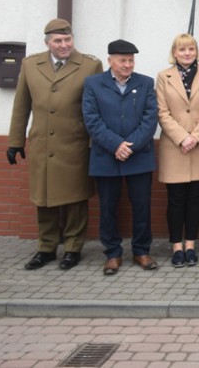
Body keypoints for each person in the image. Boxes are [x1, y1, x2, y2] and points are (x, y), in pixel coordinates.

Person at [7, 18, 102, 272]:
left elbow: (97, 107)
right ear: (47, 42)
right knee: (44, 198)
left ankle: (73, 248)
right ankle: (46, 247)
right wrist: (15, 141)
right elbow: (21, 105)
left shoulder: (90, 65)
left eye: (67, 39)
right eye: (58, 41)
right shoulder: (30, 65)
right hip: (42, 145)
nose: (64, 45)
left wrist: (95, 143)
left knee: (75, 200)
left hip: (75, 145)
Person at [82, 39, 159, 276]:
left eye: (131, 60)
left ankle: (141, 251)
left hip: (138, 156)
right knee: (108, 207)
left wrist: (130, 146)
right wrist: (116, 144)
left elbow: (150, 119)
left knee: (142, 206)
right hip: (106, 155)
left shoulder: (145, 83)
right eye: (123, 60)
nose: (128, 65)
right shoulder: (93, 84)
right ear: (110, 61)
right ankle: (113, 253)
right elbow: (91, 120)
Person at [155, 34, 199, 268]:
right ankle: (176, 247)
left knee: (194, 199)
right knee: (175, 199)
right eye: (182, 50)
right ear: (174, 52)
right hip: (174, 146)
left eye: (191, 49)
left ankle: (190, 245)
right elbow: (162, 112)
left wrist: (196, 137)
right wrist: (183, 138)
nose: (187, 53)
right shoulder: (164, 76)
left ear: (196, 51)